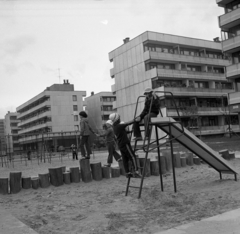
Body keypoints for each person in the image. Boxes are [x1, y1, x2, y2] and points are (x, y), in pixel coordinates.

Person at [109, 113, 141, 178]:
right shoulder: (119, 126)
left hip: (121, 144)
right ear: (117, 119)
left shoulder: (115, 127)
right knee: (133, 157)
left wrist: (129, 132)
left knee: (125, 159)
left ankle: (128, 173)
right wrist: (135, 120)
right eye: (119, 118)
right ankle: (136, 171)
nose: (120, 119)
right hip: (125, 143)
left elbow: (122, 132)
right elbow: (127, 123)